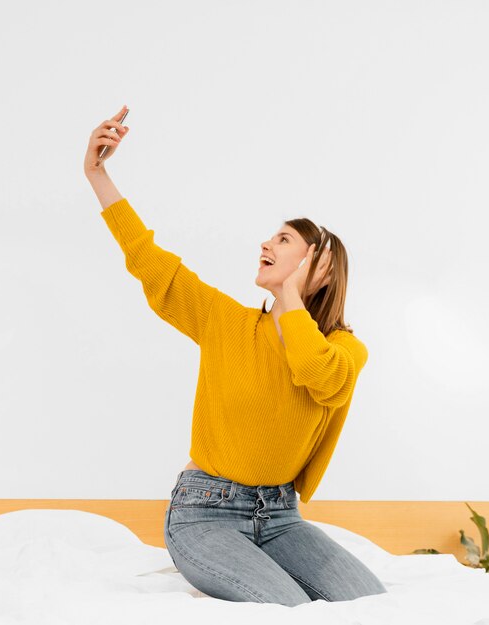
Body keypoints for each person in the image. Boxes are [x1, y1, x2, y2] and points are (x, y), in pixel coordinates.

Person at [84, 106, 388, 606]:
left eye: (284, 239)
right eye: (272, 235)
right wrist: (97, 174)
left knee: (375, 608)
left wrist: (291, 297)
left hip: (281, 516)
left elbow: (317, 375)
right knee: (289, 610)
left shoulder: (344, 349)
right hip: (203, 513)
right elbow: (150, 261)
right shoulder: (225, 323)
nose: (265, 243)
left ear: (322, 269)